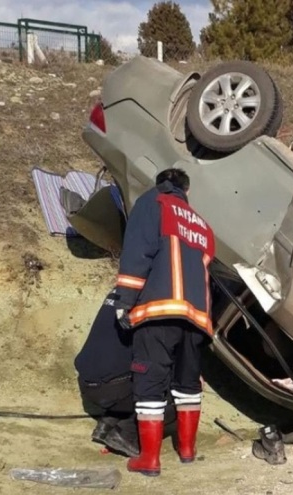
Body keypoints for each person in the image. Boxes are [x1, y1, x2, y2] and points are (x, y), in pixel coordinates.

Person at [112, 167, 215, 477]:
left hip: (158, 310)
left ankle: (150, 459)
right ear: (186, 190)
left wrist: (125, 300)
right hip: (196, 317)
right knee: (187, 384)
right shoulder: (202, 223)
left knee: (150, 381)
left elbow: (138, 251)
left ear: (161, 185)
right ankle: (187, 450)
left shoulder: (152, 202)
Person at [73, 289, 141, 458]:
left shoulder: (121, 290)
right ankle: (126, 434)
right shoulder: (149, 298)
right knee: (175, 385)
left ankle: (107, 424)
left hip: (88, 380)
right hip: (110, 387)